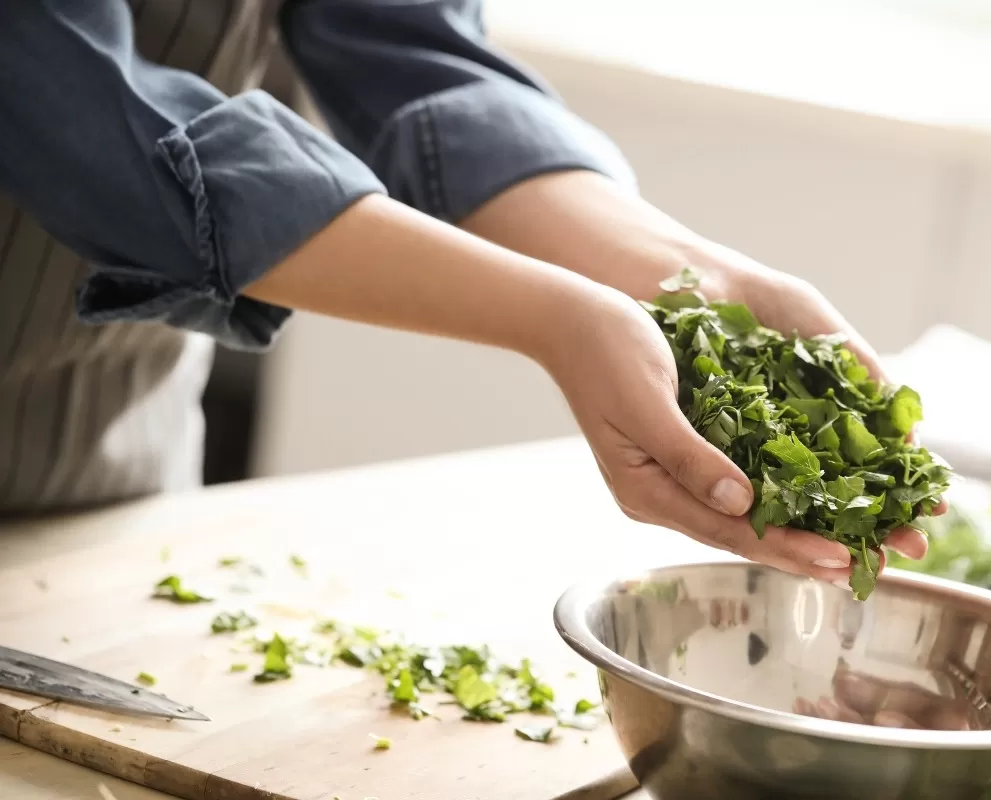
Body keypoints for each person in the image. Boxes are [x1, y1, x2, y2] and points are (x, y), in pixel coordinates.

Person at [0, 0, 937, 585]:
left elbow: (403, 41)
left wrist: (687, 279)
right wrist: (559, 318)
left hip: (108, 463)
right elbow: (84, 116)